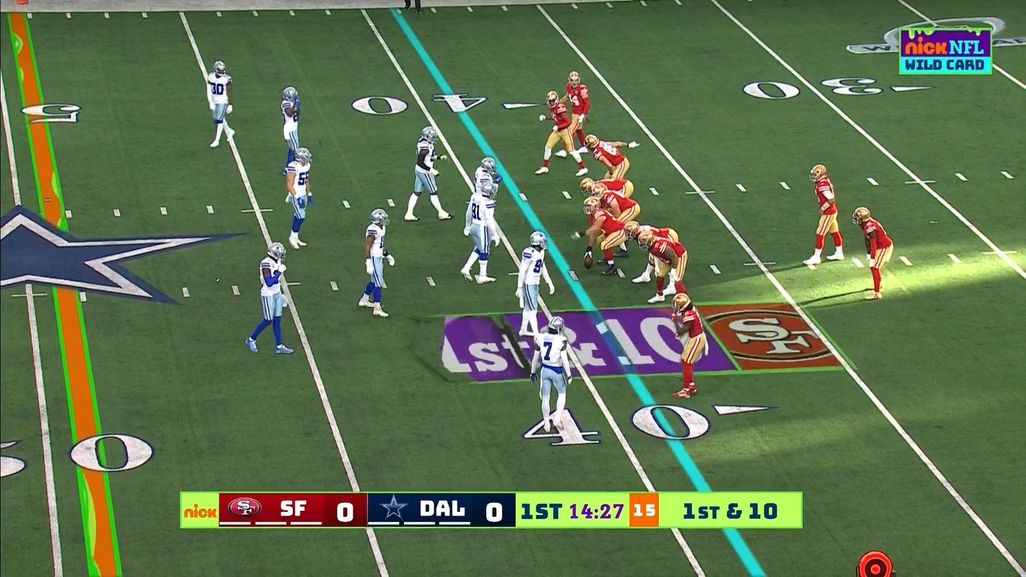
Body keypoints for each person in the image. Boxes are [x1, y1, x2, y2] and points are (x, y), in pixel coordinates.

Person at [246, 242, 294, 354]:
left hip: (277, 293)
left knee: (277, 319)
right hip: (268, 294)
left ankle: (279, 346)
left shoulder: (277, 261)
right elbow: (269, 282)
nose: (281, 255)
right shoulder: (266, 263)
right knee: (268, 320)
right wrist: (278, 272)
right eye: (280, 253)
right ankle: (251, 339)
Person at [530, 316, 572, 432]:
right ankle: (557, 419)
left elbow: (535, 358)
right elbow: (564, 359)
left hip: (545, 370)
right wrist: (569, 374)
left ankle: (546, 423)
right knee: (562, 394)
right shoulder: (561, 340)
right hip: (556, 370)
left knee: (545, 398)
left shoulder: (540, 337)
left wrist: (533, 372)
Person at [516, 231, 556, 337]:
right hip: (529, 283)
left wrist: (549, 281)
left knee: (527, 308)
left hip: (535, 283)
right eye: (543, 241)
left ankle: (523, 330)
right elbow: (522, 270)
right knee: (533, 310)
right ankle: (536, 334)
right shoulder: (529, 253)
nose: (544, 243)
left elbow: (542, 267)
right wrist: (519, 287)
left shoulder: (541, 252)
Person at [206, 60, 234, 148]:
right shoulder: (211, 77)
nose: (221, 72)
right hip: (215, 100)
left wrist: (230, 104)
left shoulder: (226, 79)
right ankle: (229, 131)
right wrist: (210, 102)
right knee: (219, 118)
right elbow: (208, 90)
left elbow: (229, 91)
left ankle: (217, 140)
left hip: (223, 100)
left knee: (219, 120)